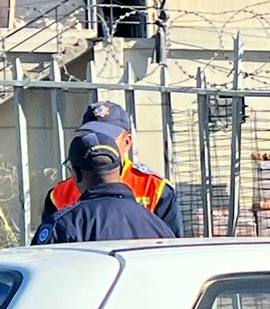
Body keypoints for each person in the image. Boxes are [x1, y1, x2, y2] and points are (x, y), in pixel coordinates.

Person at [41, 101, 182, 238]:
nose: (98, 141)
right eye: (90, 136)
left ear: (127, 142)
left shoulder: (154, 188)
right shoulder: (60, 193)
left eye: (107, 137)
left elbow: (170, 249)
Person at [34, 128, 175, 246]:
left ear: (75, 173)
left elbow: (42, 272)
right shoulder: (158, 226)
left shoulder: (62, 225)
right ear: (120, 169)